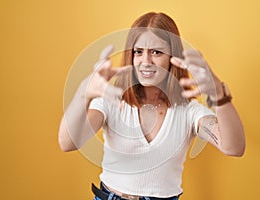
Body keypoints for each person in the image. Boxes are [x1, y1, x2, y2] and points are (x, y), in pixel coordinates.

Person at [58, 12, 245, 200]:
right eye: (138, 52)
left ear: (173, 57)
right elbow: (68, 143)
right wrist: (85, 92)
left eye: (156, 52)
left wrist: (220, 95)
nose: (145, 62)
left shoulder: (188, 111)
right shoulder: (112, 101)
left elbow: (233, 148)